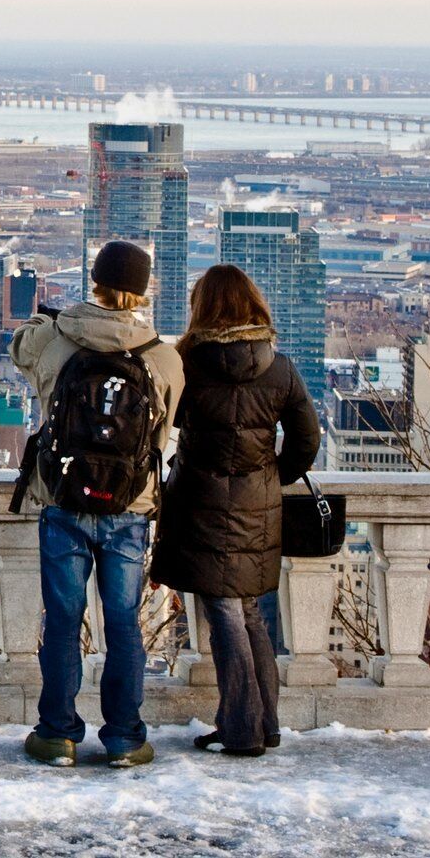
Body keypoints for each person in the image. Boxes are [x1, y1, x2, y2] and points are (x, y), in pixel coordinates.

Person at [10, 240, 184, 768]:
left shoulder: (54, 339)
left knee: (63, 619)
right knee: (125, 622)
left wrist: (57, 319)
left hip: (63, 498)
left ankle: (58, 733)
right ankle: (126, 738)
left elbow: (19, 347)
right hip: (130, 508)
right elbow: (166, 427)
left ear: (94, 279)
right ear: (144, 288)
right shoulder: (163, 356)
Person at [150, 264, 320, 757]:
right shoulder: (280, 367)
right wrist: (271, 476)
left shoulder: (189, 365)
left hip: (201, 503)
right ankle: (265, 724)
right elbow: (307, 439)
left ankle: (242, 730)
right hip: (258, 505)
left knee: (225, 613)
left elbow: (171, 420)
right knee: (249, 614)